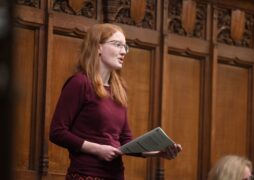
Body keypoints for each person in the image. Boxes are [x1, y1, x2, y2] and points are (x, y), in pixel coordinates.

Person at [49, 23, 182, 180]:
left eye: (125, 47)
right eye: (117, 45)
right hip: (86, 175)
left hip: (116, 175)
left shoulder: (119, 90)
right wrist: (97, 149)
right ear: (98, 47)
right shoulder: (80, 83)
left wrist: (157, 153)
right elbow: (57, 132)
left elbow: (125, 141)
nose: (123, 51)